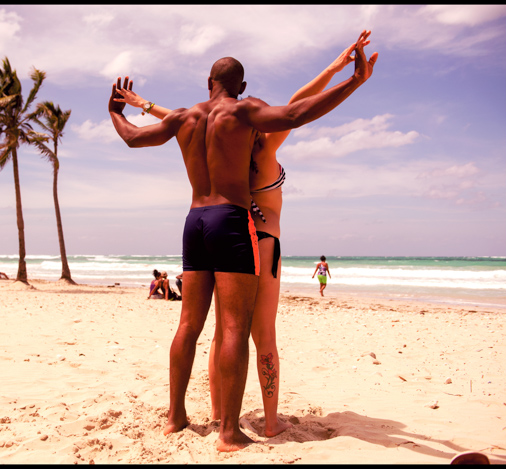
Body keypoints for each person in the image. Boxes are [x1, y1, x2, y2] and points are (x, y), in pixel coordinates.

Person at [109, 30, 377, 452]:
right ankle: (229, 433)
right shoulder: (247, 112)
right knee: (234, 326)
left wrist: (117, 110)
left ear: (207, 83)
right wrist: (353, 80)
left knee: (189, 326)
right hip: (231, 220)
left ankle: (175, 416)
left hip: (194, 220)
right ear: (243, 88)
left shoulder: (184, 117)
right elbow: (295, 113)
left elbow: (131, 137)